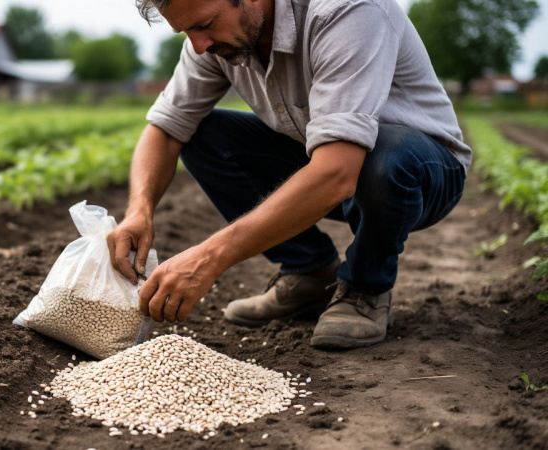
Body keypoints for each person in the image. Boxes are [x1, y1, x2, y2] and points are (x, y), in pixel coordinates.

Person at [107, 0, 471, 349]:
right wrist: (140, 209)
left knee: (379, 155)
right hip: (325, 158)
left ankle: (366, 287)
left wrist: (209, 257)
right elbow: (166, 128)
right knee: (202, 135)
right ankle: (311, 273)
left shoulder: (347, 10)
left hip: (420, 171)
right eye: (185, 31)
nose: (199, 46)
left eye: (203, 25)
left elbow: (338, 172)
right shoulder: (213, 42)